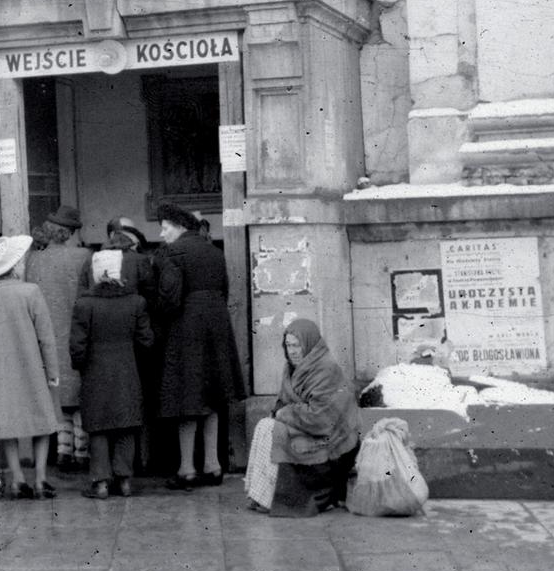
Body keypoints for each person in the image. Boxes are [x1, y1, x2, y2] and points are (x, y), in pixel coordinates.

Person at [155, 202, 246, 490]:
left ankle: (186, 469)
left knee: (186, 398)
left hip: (187, 328)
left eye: (165, 227)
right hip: (217, 326)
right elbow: (225, 289)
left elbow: (169, 297)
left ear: (180, 227)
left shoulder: (173, 253)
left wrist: (161, 318)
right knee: (213, 397)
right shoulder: (215, 252)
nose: (161, 233)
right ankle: (213, 465)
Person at [0, 234, 61, 500]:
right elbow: (46, 337)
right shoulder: (31, 292)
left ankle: (17, 480)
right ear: (16, 265)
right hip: (32, 368)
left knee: (6, 424)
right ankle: (41, 480)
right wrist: (53, 372)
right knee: (42, 422)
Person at [243, 319, 360, 516]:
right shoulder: (290, 369)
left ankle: (271, 497)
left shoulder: (326, 369)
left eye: (297, 345)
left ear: (309, 344)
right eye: (288, 345)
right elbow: (281, 403)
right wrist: (282, 413)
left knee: (274, 429)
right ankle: (261, 494)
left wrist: (285, 414)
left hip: (331, 444)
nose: (293, 351)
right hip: (306, 429)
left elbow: (321, 419)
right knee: (264, 426)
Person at [70, 256, 154, 499]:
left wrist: (82, 367)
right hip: (127, 371)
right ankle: (125, 480)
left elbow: (77, 346)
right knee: (126, 424)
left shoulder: (84, 305)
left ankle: (101, 483)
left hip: (95, 373)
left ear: (96, 274)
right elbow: (146, 341)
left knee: (98, 428)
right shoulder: (136, 302)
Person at [25, 205, 93, 471]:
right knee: (79, 394)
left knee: (58, 393)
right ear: (69, 232)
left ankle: (63, 449)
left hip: (47, 337)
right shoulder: (84, 256)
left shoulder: (33, 260)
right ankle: (81, 450)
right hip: (77, 333)